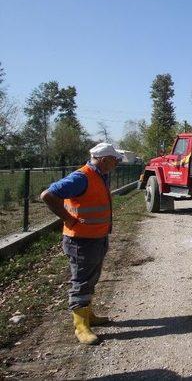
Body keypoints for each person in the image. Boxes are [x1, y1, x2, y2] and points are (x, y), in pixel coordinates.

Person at [40, 143, 122, 345]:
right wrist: (68, 219)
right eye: (115, 160)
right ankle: (81, 327)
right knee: (81, 280)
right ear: (103, 160)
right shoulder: (81, 177)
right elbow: (47, 195)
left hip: (96, 238)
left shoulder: (99, 175)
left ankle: (88, 314)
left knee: (91, 278)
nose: (117, 164)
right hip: (81, 240)